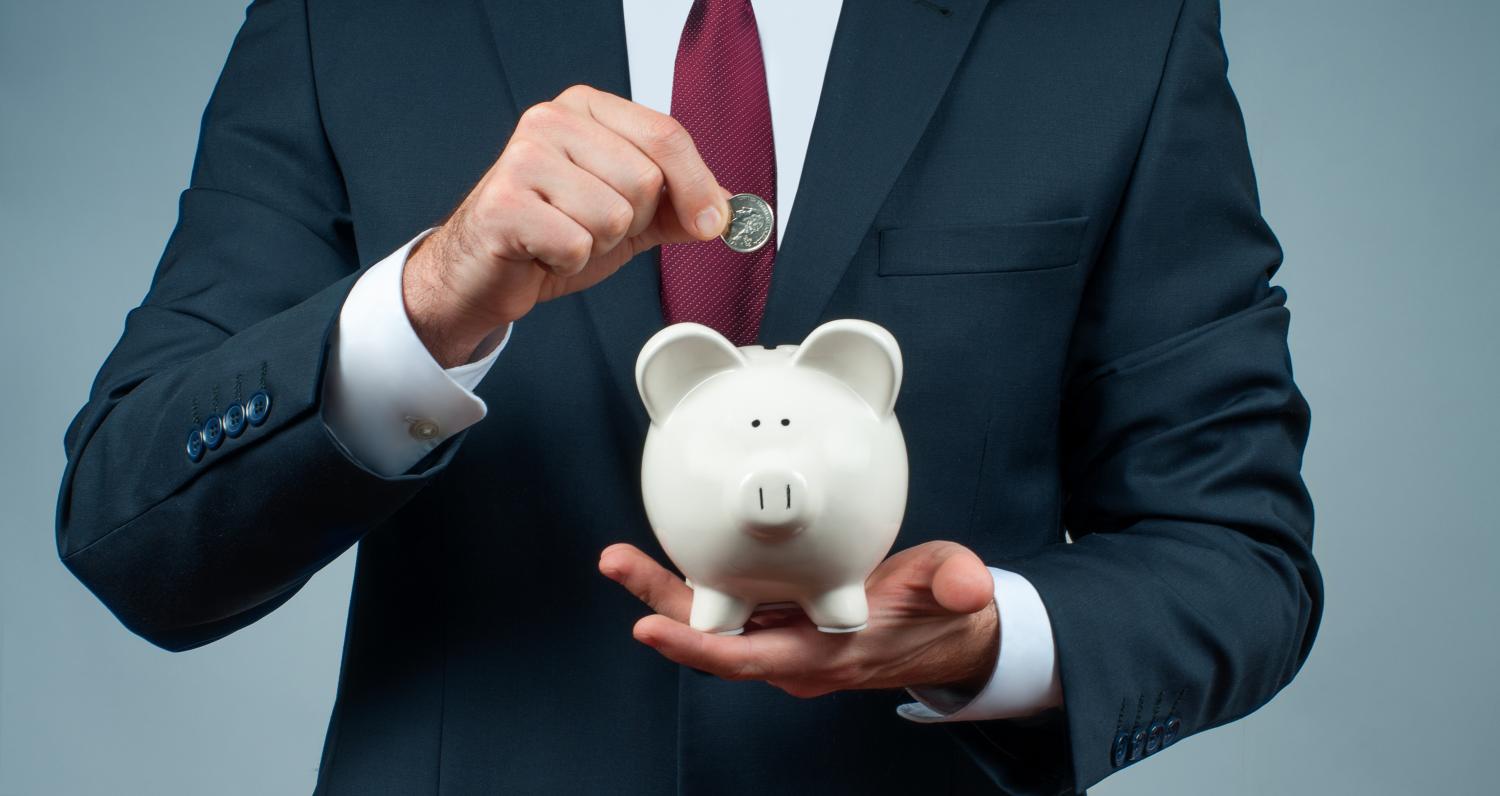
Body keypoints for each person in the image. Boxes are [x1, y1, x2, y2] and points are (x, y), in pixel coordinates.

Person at [55, 0, 1322, 793]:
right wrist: (429, 301)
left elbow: (1238, 554)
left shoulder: (1114, 28)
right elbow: (131, 525)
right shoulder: (359, 20)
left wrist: (991, 641)